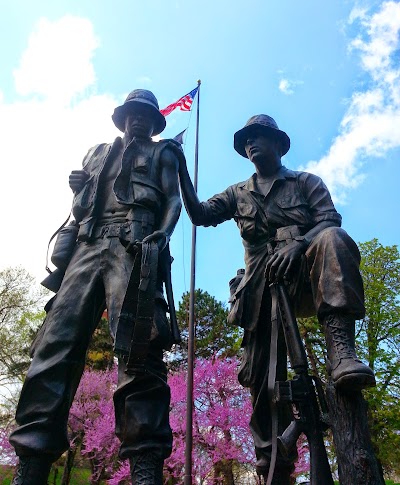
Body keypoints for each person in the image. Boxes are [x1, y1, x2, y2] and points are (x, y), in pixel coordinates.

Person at [173, 114, 375, 485]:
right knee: (262, 383)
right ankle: (273, 470)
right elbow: (200, 215)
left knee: (333, 239)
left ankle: (342, 352)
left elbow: (330, 220)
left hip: (302, 280)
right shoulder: (238, 192)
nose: (252, 143)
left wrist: (299, 244)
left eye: (260, 137)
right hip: (258, 291)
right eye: (248, 139)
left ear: (279, 144)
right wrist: (181, 168)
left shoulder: (305, 183)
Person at [9, 89, 181, 485]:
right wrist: (78, 191)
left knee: (140, 346)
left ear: (155, 122)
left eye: (145, 115)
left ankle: (144, 464)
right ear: (121, 117)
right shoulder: (97, 152)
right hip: (87, 246)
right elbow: (84, 206)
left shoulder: (163, 154)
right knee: (54, 346)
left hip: (135, 242)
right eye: (131, 113)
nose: (137, 119)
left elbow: (173, 201)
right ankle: (31, 461)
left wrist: (161, 236)